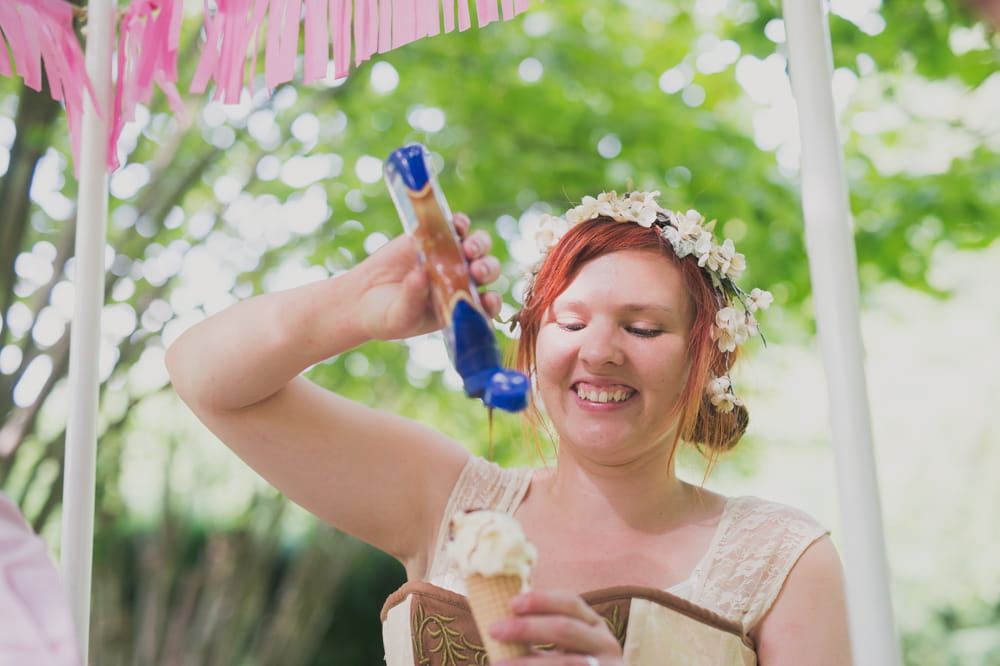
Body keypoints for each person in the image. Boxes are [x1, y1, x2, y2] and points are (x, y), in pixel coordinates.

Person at [166, 190, 852, 665]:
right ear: (530, 345)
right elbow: (206, 378)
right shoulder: (447, 503)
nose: (600, 350)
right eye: (571, 322)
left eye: (642, 328)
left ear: (707, 361)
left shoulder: (781, 558)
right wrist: (355, 306)